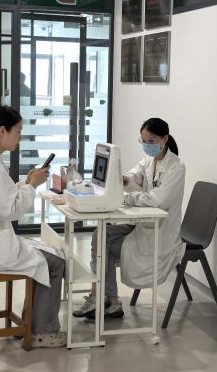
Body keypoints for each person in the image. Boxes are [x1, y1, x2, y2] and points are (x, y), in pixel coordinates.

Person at [0, 106, 67, 348]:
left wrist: (27, 182)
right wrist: (32, 186)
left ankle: (30, 323)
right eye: (18, 131)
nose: (20, 136)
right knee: (56, 262)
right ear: (3, 131)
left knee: (47, 253)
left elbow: (2, 197)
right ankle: (41, 330)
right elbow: (8, 210)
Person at [73, 118, 186, 320]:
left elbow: (158, 200)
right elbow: (135, 176)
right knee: (101, 235)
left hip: (160, 232)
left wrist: (128, 197)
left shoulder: (176, 167)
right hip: (142, 223)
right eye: (143, 141)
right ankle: (106, 299)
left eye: (151, 141)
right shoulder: (149, 160)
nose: (147, 145)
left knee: (104, 245)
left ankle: (105, 298)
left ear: (164, 139)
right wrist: (124, 179)